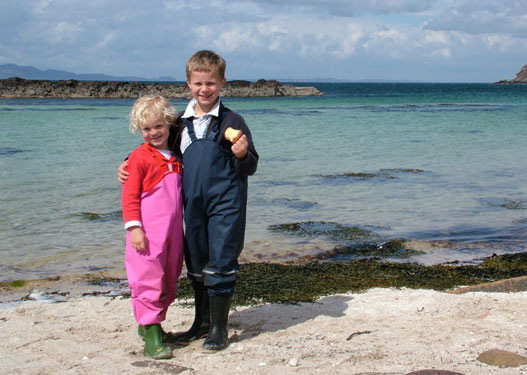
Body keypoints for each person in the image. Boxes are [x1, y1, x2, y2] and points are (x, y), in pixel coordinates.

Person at [119, 50, 258, 353]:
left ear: (222, 82)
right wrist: (126, 162)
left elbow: (251, 167)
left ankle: (219, 330)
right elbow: (154, 150)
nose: (204, 89)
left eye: (211, 83)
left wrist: (242, 154)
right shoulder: (180, 123)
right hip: (191, 205)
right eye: (198, 83)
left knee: (221, 262)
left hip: (226, 205)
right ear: (188, 83)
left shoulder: (232, 121)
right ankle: (202, 323)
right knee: (196, 263)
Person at [122, 95, 184, 359]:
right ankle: (152, 337)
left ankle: (149, 325)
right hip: (146, 235)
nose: (153, 133)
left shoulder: (177, 156)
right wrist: (134, 228)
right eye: (146, 129)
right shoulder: (138, 157)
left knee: (169, 276)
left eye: (159, 126)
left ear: (169, 124)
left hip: (172, 233)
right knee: (148, 278)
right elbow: (129, 196)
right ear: (139, 130)